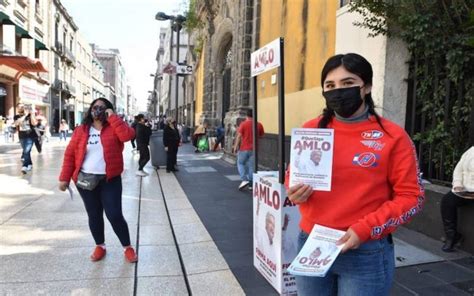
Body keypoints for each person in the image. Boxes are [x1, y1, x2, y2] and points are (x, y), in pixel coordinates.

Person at [285, 53, 424, 296]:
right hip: (311, 242)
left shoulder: (393, 137)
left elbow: (412, 197)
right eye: (330, 85)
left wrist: (365, 229)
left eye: (347, 83)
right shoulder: (311, 130)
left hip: (365, 251)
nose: (338, 91)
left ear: (366, 87)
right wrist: (294, 189)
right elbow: (293, 176)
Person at [58, 97, 138, 263]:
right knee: (94, 214)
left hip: (110, 180)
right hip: (86, 180)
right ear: (90, 110)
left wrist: (113, 118)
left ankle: (127, 247)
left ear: (108, 110)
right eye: (95, 107)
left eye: (102, 107)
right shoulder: (81, 130)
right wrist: (64, 178)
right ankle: (100, 246)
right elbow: (70, 155)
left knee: (114, 214)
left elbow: (128, 136)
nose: (98, 110)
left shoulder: (114, 127)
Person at [440, 146, 474, 252]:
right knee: (447, 202)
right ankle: (452, 237)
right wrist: (458, 184)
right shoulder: (471, 150)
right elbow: (459, 169)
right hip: (465, 189)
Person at [233, 109, 264, 190]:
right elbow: (261, 135)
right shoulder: (259, 124)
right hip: (254, 149)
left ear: (246, 115)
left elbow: (239, 136)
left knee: (240, 163)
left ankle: (244, 179)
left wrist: (235, 146)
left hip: (244, 148)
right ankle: (251, 184)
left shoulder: (243, 124)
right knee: (251, 166)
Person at [14, 103, 38, 174]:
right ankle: (30, 164)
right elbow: (16, 123)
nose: (21, 108)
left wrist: (32, 114)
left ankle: (24, 166)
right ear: (17, 108)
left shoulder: (30, 115)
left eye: (22, 107)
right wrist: (25, 115)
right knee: (26, 151)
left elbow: (34, 124)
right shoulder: (16, 116)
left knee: (26, 151)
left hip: (30, 136)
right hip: (21, 136)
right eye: (19, 107)